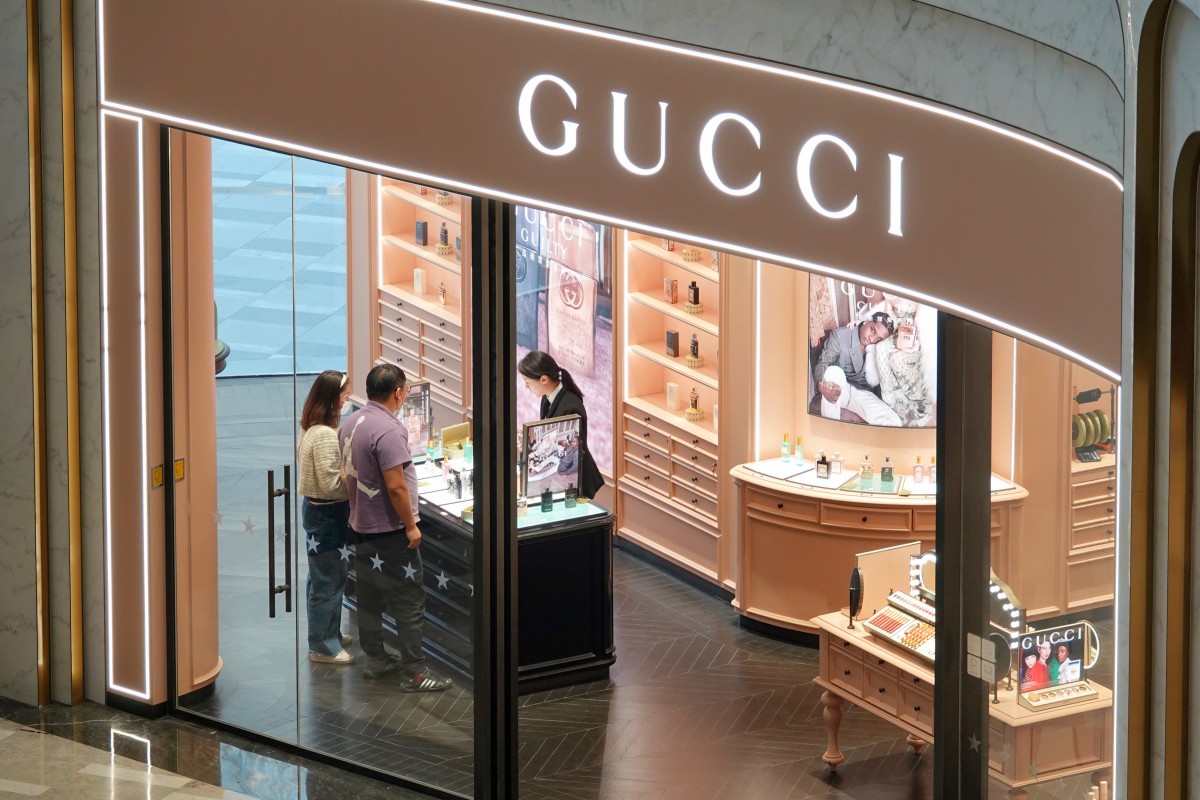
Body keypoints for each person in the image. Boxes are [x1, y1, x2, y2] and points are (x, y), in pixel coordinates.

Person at [338, 363, 452, 691]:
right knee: (408, 600)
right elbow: (397, 486)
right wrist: (411, 526)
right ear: (398, 393)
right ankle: (416, 673)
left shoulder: (351, 422)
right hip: (389, 532)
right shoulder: (388, 430)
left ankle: (376, 659)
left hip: (361, 527)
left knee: (369, 597)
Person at [297, 370, 355, 665]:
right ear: (333, 399)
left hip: (319, 511)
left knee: (323, 576)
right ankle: (322, 645)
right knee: (328, 579)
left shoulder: (312, 428)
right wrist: (356, 480)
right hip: (327, 513)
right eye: (344, 396)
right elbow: (332, 484)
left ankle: (328, 632)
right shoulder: (324, 435)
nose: (347, 401)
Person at [519, 350, 605, 499]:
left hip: (575, 481)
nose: (526, 387)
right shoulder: (547, 397)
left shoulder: (570, 407)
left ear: (543, 379)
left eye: (528, 383)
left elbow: (569, 451)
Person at [812, 312, 903, 426]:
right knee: (833, 372)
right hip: (841, 388)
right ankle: (830, 428)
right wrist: (820, 385)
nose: (872, 339)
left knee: (894, 421)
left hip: (862, 393)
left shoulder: (878, 347)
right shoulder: (840, 336)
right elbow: (823, 364)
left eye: (879, 338)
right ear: (866, 321)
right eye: (872, 330)